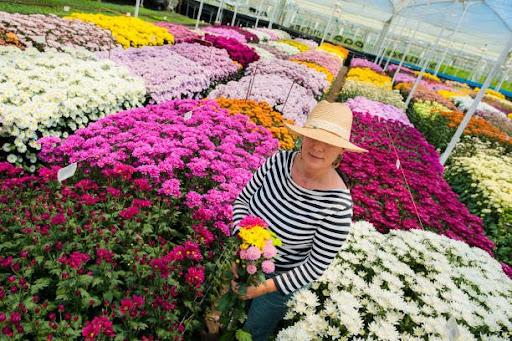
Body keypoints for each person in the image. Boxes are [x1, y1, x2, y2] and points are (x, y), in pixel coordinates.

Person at [231, 100, 368, 340]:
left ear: (341, 152)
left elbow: (314, 266)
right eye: (313, 137)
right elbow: (242, 202)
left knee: (252, 332)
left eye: (330, 143)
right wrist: (239, 246)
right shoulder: (277, 162)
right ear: (303, 137)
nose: (318, 147)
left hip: (280, 280)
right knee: (229, 313)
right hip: (244, 256)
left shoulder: (337, 206)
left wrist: (261, 288)